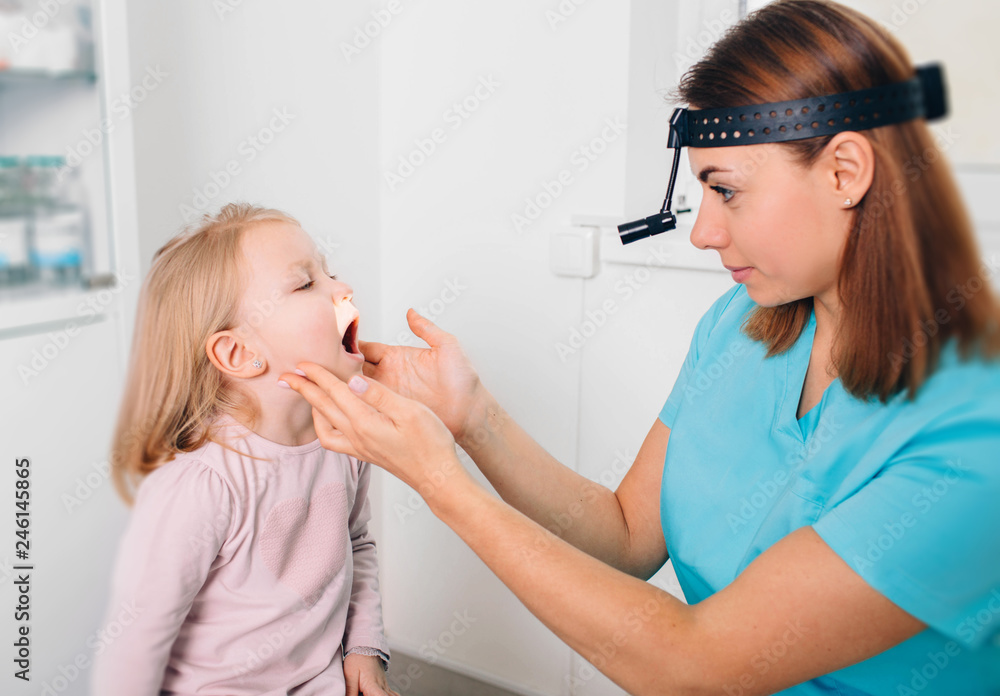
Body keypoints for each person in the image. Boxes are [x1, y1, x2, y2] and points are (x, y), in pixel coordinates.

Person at [280, 1, 1000, 694]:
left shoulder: (974, 427)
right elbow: (625, 537)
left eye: (727, 191)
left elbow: (698, 667)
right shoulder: (742, 324)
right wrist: (472, 418)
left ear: (846, 172)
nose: (703, 232)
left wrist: (441, 483)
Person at [93, 203, 396, 696]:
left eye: (329, 271)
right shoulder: (201, 485)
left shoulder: (344, 438)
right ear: (239, 352)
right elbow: (135, 643)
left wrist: (364, 647)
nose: (343, 288)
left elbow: (356, 542)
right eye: (305, 284)